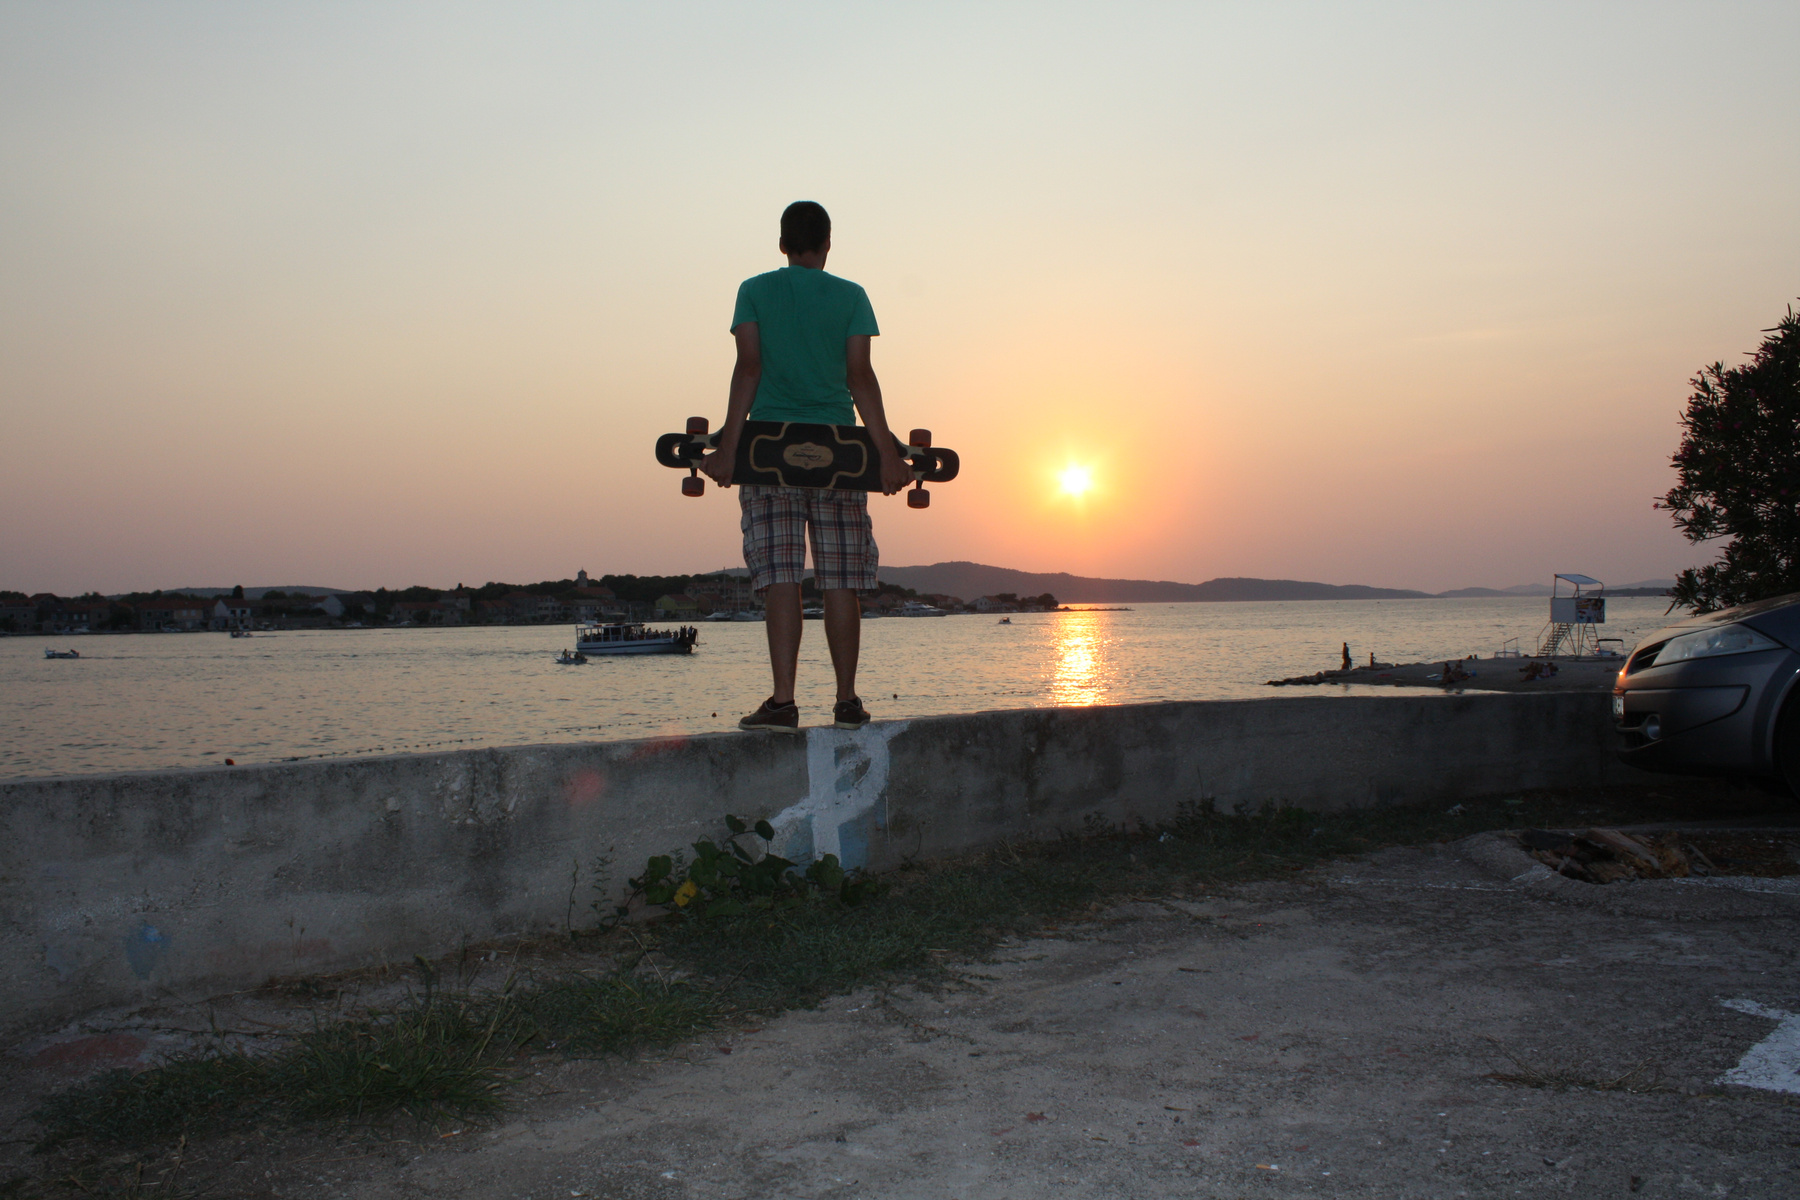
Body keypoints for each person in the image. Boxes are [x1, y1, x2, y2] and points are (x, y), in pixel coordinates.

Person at [702, 201, 910, 733]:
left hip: (770, 450)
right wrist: (885, 451)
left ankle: (783, 702)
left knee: (782, 578)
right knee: (841, 580)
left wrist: (727, 446)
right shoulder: (851, 296)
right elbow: (861, 377)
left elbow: (748, 367)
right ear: (828, 243)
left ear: (781, 244)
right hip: (838, 450)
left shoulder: (754, 290)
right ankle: (846, 701)